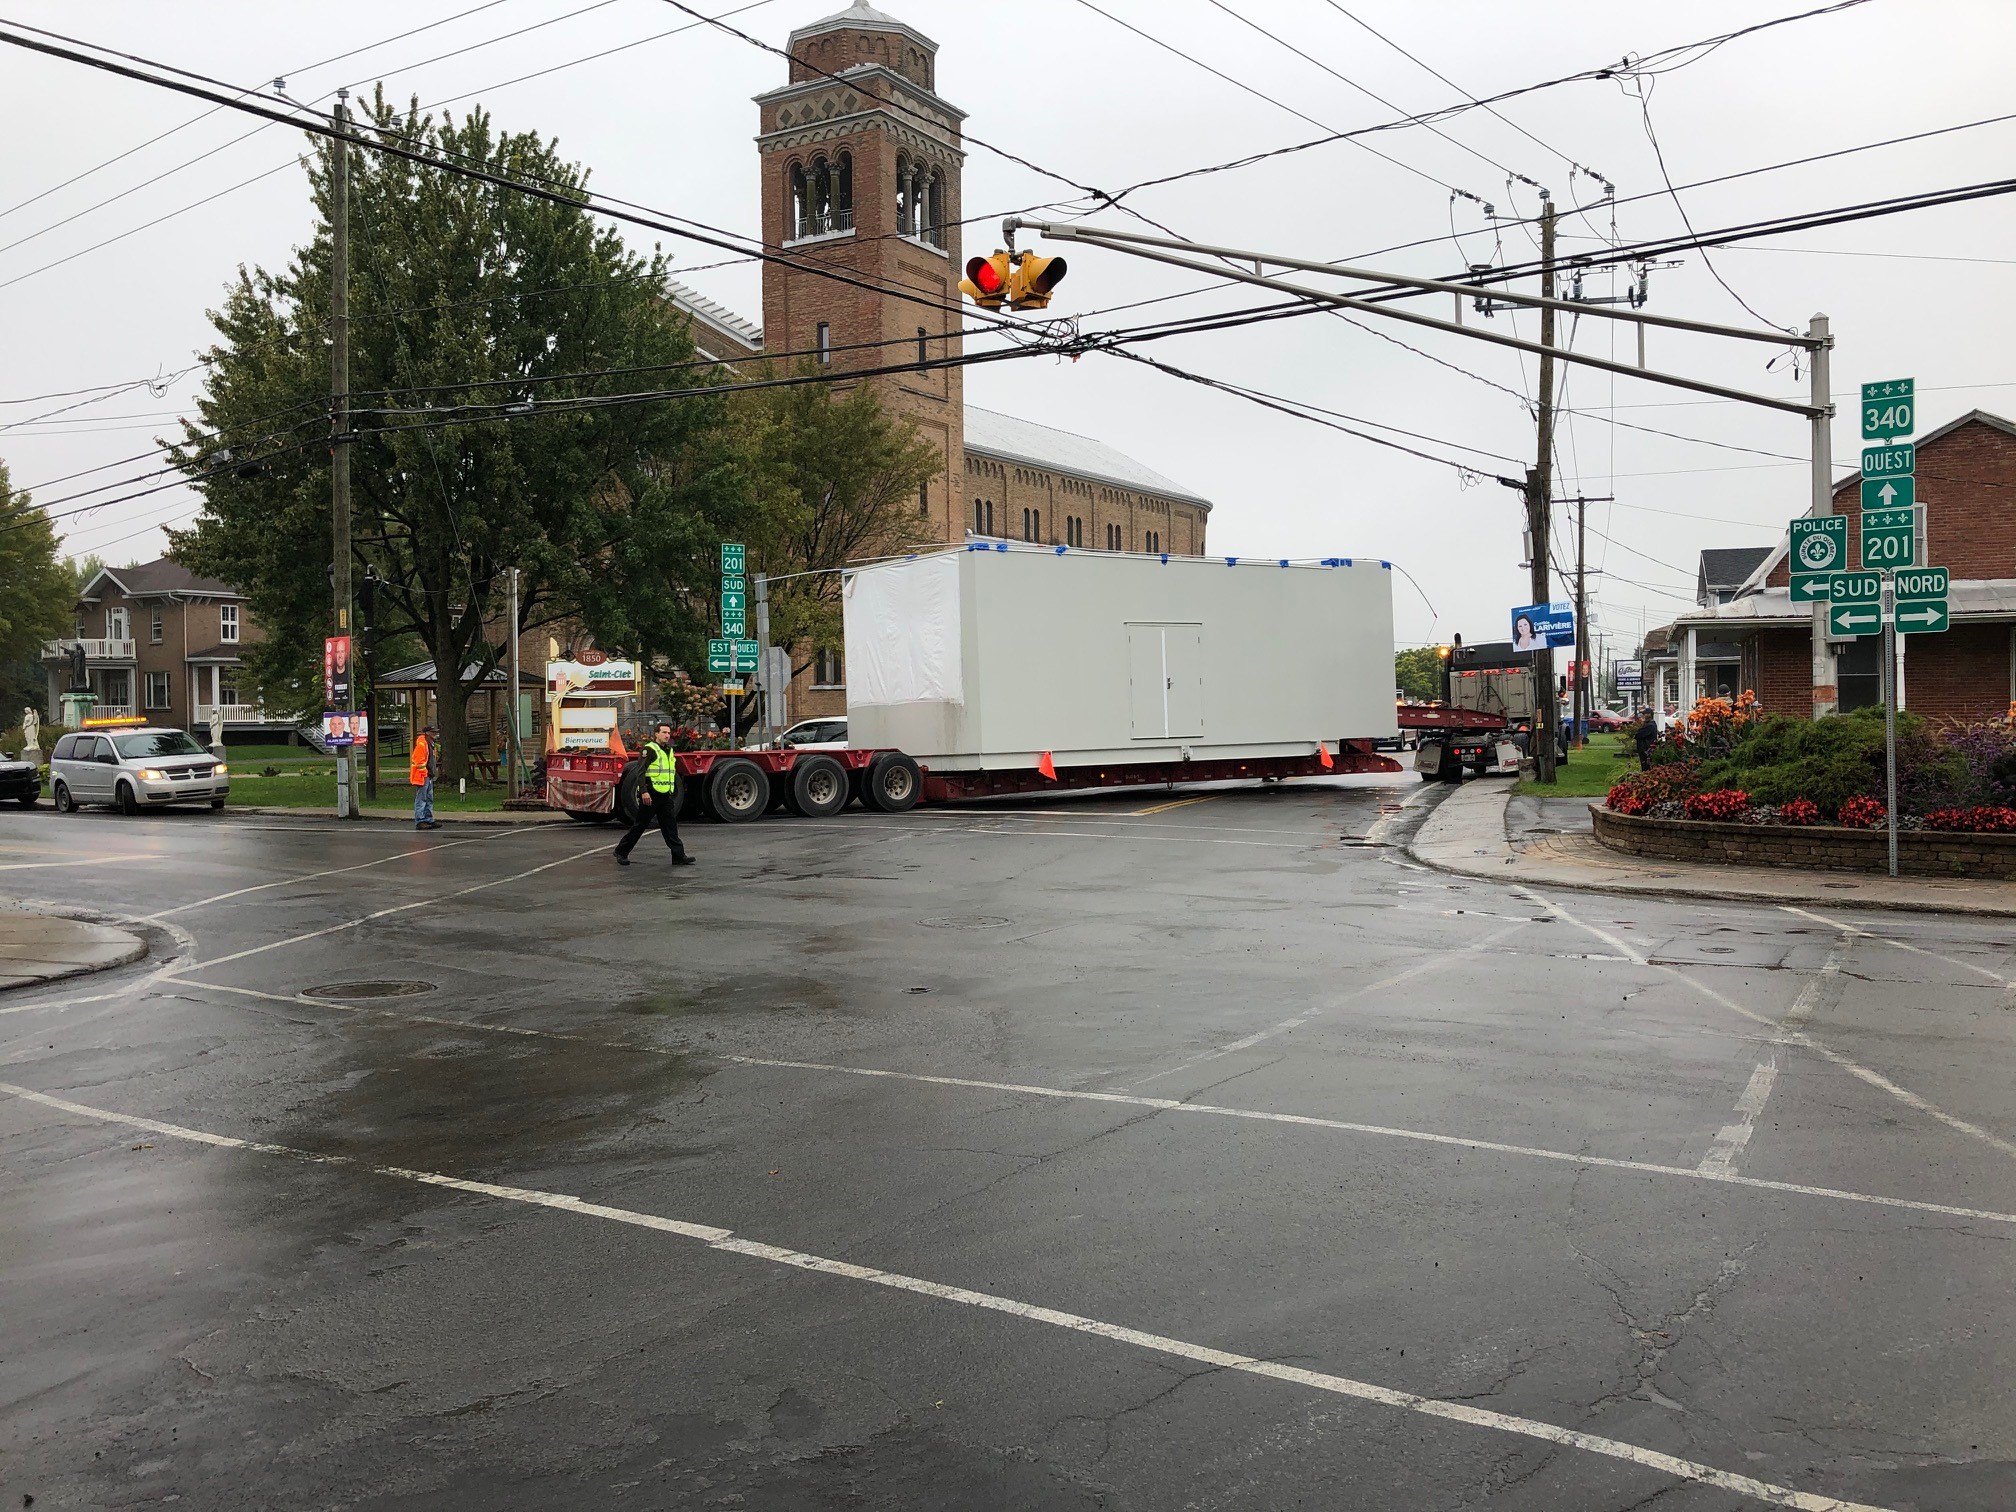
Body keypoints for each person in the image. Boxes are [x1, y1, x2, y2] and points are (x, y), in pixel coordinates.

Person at [614, 721, 693, 868]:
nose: (666, 735)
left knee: (670, 826)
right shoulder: (649, 749)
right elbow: (641, 771)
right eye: (663, 732)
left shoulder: (669, 750)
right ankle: (621, 851)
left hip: (665, 795)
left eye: (668, 733)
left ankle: (678, 856)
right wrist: (644, 791)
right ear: (656, 734)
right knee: (640, 825)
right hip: (651, 793)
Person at [410, 721, 440, 830]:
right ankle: (420, 820)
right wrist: (425, 773)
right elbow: (418, 762)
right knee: (421, 799)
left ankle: (428, 819)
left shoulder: (430, 744)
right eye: (433, 732)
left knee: (428, 798)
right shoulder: (422, 744)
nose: (435, 734)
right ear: (427, 733)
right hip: (422, 776)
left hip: (428, 775)